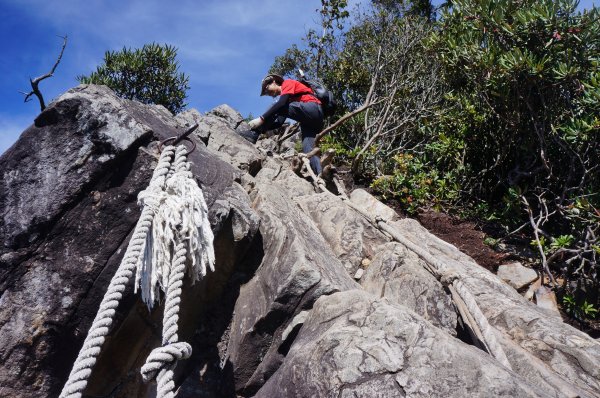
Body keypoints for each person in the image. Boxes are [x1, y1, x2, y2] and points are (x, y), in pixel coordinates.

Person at [243, 73, 324, 175]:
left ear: (273, 82)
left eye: (266, 89)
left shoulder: (287, 83)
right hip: (311, 121)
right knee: (308, 148)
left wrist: (261, 119)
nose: (267, 93)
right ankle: (319, 174)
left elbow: (280, 104)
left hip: (313, 108)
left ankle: (254, 134)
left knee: (276, 106)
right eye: (265, 93)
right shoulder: (287, 100)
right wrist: (264, 128)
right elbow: (279, 123)